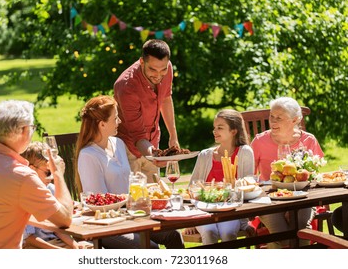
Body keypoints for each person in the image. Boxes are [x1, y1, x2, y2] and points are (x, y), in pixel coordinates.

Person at [0, 100, 73, 249]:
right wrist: (57, 173)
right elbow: (65, 219)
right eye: (32, 128)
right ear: (24, 130)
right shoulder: (22, 176)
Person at [74, 95, 184, 249]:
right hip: (107, 224)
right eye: (115, 118)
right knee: (151, 249)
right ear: (102, 124)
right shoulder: (88, 155)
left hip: (131, 215)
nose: (119, 122)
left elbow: (128, 181)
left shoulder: (118, 143)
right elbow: (98, 200)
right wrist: (129, 201)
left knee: (174, 235)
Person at [251, 96, 324, 248]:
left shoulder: (308, 141)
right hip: (269, 200)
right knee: (282, 233)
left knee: (302, 228)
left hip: (302, 198)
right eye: (271, 116)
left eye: (279, 117)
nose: (273, 121)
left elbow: (315, 177)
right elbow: (248, 178)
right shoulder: (259, 142)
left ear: (295, 120)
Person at [185, 109, 256, 244]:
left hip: (231, 210)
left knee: (228, 233)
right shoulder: (205, 155)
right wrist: (191, 220)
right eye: (214, 128)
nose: (215, 131)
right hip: (203, 209)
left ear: (233, 131)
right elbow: (191, 188)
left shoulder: (245, 152)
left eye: (220, 128)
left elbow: (248, 186)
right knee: (209, 231)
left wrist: (244, 222)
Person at [114, 39, 179, 183]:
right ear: (142, 62)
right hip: (127, 148)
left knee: (156, 196)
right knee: (134, 200)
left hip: (152, 142)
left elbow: (166, 98)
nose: (158, 75)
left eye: (163, 70)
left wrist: (173, 136)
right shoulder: (127, 87)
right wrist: (154, 155)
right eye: (152, 70)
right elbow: (138, 136)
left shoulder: (166, 67)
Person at [21, 142, 92, 249]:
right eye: (48, 173)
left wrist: (75, 246)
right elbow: (29, 239)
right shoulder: (26, 195)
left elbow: (59, 229)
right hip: (36, 246)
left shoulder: (50, 189)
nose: (51, 178)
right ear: (32, 169)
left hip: (55, 242)